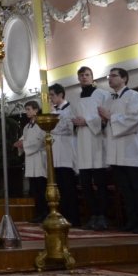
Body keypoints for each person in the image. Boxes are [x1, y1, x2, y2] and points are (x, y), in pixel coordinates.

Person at [99, 67, 138, 234]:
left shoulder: (133, 96)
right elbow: (107, 125)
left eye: (114, 76)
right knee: (125, 190)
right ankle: (131, 221)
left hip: (131, 151)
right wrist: (104, 121)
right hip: (116, 153)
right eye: (109, 76)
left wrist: (110, 117)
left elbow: (135, 120)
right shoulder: (109, 100)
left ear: (124, 78)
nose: (110, 78)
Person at [72, 66, 110, 230]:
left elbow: (105, 117)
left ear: (92, 77)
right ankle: (93, 215)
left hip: (97, 142)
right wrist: (75, 122)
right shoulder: (75, 98)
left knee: (100, 183)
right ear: (78, 78)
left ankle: (103, 215)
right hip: (82, 143)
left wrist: (86, 121)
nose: (84, 77)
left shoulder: (102, 94)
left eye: (87, 75)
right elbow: (71, 119)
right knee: (86, 185)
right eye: (81, 75)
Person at [49, 83, 80, 226]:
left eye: (52, 95)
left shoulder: (70, 108)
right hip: (56, 154)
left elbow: (68, 128)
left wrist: (53, 126)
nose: (50, 98)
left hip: (67, 152)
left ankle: (74, 217)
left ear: (61, 94)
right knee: (60, 187)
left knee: (69, 187)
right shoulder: (54, 110)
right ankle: (63, 216)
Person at [14, 100, 47, 223]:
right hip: (30, 160)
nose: (27, 112)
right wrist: (19, 143)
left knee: (41, 188)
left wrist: (24, 144)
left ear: (36, 110)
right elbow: (23, 139)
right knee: (34, 189)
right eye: (26, 109)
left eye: (29, 109)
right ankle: (38, 213)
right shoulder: (27, 127)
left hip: (39, 159)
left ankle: (45, 213)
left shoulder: (42, 124)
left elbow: (40, 142)